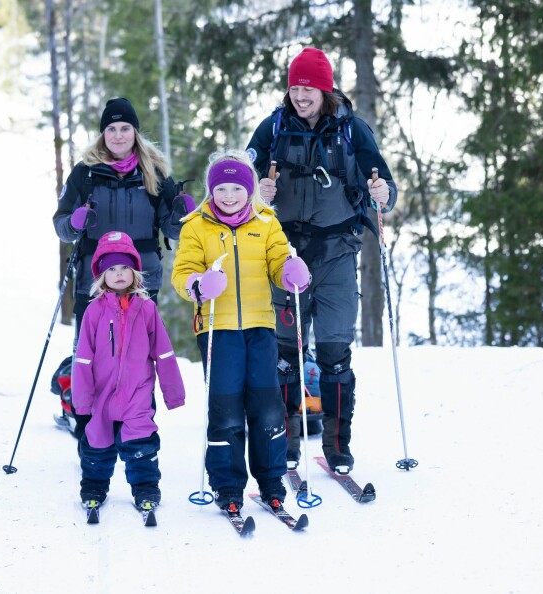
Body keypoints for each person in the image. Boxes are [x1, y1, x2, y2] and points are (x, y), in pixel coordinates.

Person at [245, 46, 397, 474]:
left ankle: (336, 446)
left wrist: (385, 194)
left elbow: (382, 180)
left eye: (308, 88)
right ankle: (286, 443)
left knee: (334, 352)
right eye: (295, 87)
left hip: (336, 252)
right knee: (284, 353)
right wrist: (259, 190)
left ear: (325, 89)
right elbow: (238, 181)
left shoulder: (352, 130)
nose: (300, 95)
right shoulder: (272, 129)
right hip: (283, 253)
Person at [171, 150, 311, 514]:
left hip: (260, 327)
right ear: (210, 190)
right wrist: (199, 284)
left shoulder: (266, 222)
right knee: (226, 410)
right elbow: (181, 273)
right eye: (221, 188)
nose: (229, 196)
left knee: (267, 408)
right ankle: (228, 485)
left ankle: (270, 481)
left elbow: (280, 259)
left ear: (249, 191)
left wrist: (291, 272)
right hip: (218, 330)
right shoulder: (196, 226)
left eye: (236, 188)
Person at [53, 97, 194, 428]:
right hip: (94, 278)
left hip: (142, 279)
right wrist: (75, 221)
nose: (118, 135)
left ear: (135, 132)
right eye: (111, 129)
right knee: (89, 351)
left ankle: (138, 418)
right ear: (103, 134)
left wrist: (181, 214)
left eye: (125, 128)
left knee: (138, 353)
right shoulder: (84, 174)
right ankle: (87, 417)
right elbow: (61, 226)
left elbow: (174, 230)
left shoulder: (155, 173)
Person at [72, 230, 186, 511]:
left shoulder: (146, 309)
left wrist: (173, 394)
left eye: (125, 267)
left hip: (138, 392)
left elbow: (164, 354)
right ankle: (94, 488)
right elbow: (83, 359)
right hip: (101, 393)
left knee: (141, 444)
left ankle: (146, 489)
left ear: (135, 271)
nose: (119, 273)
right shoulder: (94, 311)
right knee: (97, 445)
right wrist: (82, 401)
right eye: (112, 268)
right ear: (102, 275)